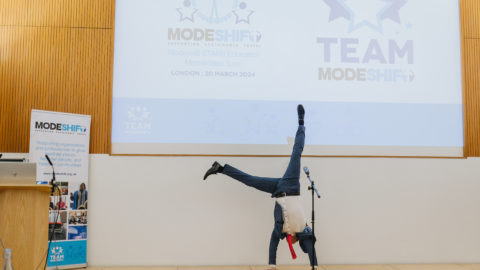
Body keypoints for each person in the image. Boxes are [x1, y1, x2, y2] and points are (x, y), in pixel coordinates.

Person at [203, 105, 317, 269]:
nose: (289, 241)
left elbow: (273, 246)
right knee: (296, 152)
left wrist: (272, 266)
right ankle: (301, 122)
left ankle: (220, 168)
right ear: (297, 239)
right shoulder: (302, 227)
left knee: (250, 180)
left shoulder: (280, 230)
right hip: (291, 185)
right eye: (293, 241)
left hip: (278, 189)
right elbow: (310, 248)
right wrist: (315, 266)